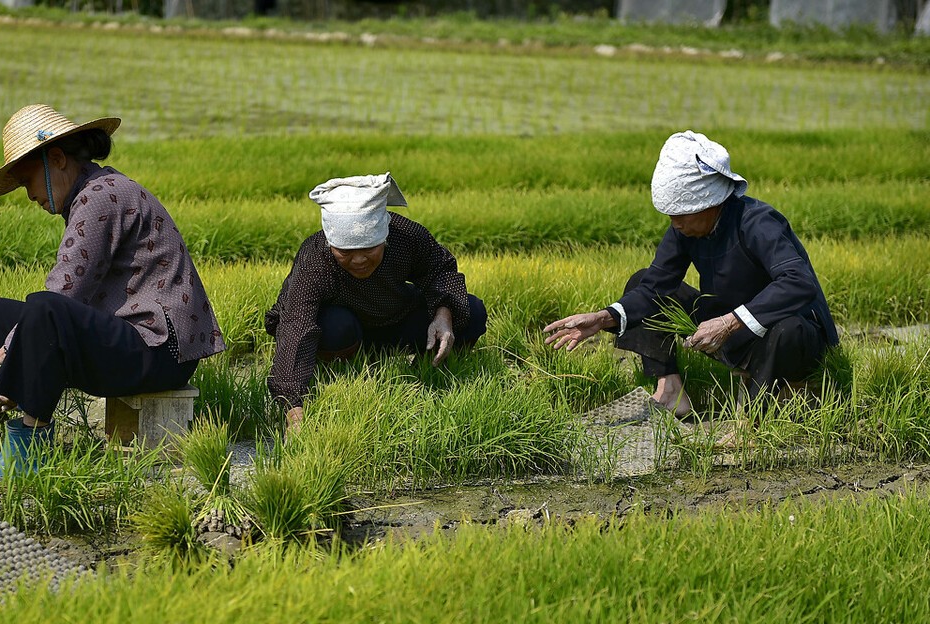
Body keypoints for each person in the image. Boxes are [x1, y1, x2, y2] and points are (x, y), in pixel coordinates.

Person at [0, 104, 224, 478]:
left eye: (28, 181)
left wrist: (7, 357)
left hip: (160, 351)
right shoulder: (93, 191)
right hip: (135, 339)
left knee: (45, 310)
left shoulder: (100, 196)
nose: (29, 195)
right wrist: (10, 348)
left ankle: (29, 451)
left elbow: (64, 293)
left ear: (56, 159)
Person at [543, 130, 838, 418]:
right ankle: (670, 391)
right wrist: (602, 318)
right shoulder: (685, 230)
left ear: (709, 204)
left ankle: (752, 422)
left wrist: (728, 323)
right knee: (641, 282)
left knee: (786, 329)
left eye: (681, 214)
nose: (675, 223)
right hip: (731, 328)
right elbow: (653, 288)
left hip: (788, 339)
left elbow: (799, 282)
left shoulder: (758, 223)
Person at [265, 173, 488, 433]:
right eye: (345, 253)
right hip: (345, 332)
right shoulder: (314, 257)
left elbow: (440, 270)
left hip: (394, 317)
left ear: (384, 237)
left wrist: (443, 316)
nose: (358, 260)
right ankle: (342, 378)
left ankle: (425, 374)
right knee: (335, 325)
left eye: (369, 249)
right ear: (330, 243)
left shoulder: (407, 236)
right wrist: (294, 410)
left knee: (471, 311)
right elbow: (296, 328)